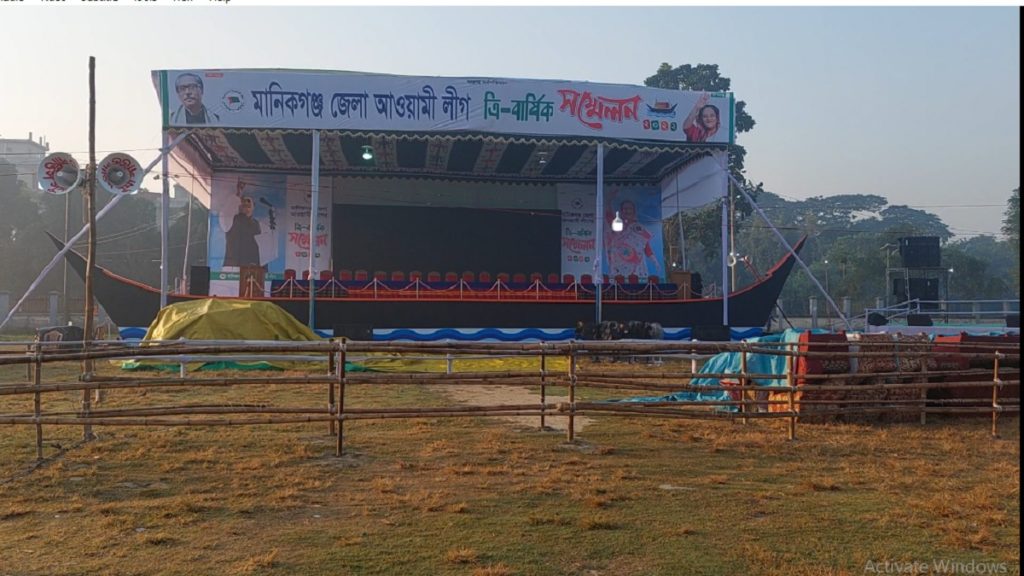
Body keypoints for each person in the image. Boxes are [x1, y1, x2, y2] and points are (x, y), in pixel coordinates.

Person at [605, 200, 661, 278]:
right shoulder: (616, 224)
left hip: (636, 267)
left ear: (634, 211)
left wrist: (655, 261)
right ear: (621, 211)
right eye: (625, 209)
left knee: (635, 282)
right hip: (619, 264)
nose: (627, 211)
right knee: (619, 282)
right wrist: (608, 200)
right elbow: (608, 214)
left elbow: (646, 246)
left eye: (630, 208)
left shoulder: (638, 227)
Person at [223, 181, 261, 267]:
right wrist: (238, 194)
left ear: (253, 207)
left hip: (252, 267)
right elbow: (227, 211)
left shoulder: (256, 224)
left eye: (248, 206)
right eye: (243, 206)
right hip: (233, 267)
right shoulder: (232, 220)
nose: (246, 209)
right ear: (239, 207)